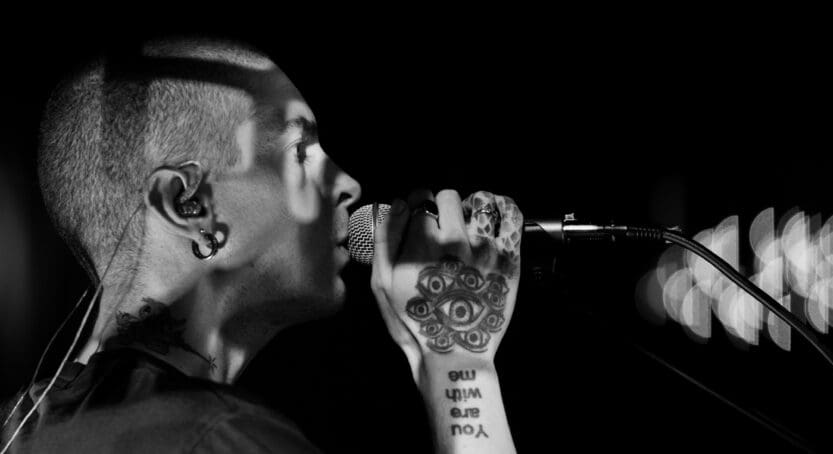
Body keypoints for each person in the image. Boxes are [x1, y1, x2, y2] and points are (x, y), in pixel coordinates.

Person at [0, 36, 522, 453]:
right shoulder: (221, 437)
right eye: (302, 152)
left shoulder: (19, 426)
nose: (348, 185)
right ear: (190, 206)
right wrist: (460, 363)